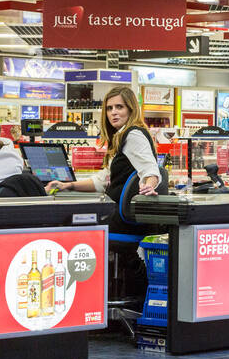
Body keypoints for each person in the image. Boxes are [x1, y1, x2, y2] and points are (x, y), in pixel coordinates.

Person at [48, 86, 160, 307]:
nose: (113, 113)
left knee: (69, 224)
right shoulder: (121, 138)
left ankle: (80, 302)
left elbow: (150, 169)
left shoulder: (134, 134)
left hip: (122, 223)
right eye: (109, 108)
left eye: (120, 107)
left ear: (131, 109)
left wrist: (149, 184)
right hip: (124, 221)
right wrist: (68, 185)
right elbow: (104, 179)